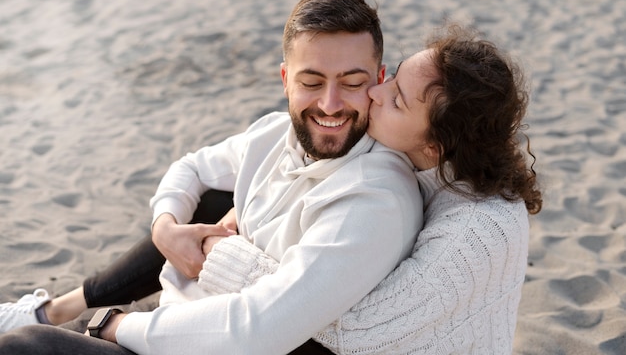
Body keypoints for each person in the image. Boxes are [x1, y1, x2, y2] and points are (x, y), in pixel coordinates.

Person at [0, 0, 423, 354]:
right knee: (214, 199)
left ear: (379, 78)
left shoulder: (373, 199)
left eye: (351, 82)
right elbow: (192, 168)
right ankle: (50, 310)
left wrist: (112, 324)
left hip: (208, 341)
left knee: (26, 347)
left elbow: (253, 331)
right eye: (312, 82)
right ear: (285, 81)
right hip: (182, 317)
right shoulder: (276, 134)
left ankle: (54, 319)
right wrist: (164, 228)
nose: (331, 104)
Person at [198, 23, 543, 353]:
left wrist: (220, 251)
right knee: (216, 202)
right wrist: (245, 211)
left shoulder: (474, 232)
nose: (375, 92)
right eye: (393, 77)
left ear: (434, 146)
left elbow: (360, 330)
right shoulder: (432, 164)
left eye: (396, 101)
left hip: (365, 343)